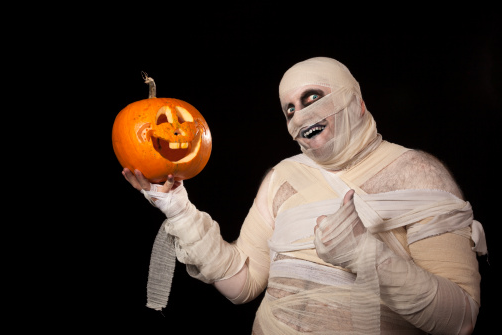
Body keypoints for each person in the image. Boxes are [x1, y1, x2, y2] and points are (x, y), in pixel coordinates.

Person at [122, 57, 487, 334]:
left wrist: (367, 256)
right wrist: (178, 208)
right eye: (290, 109)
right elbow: (242, 285)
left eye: (312, 98)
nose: (299, 117)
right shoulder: (283, 176)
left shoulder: (421, 174)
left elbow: (460, 319)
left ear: (356, 101)